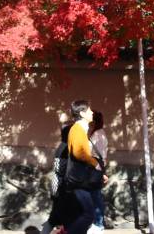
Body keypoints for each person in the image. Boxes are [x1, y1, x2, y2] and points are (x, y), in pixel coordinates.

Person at [64, 100, 104, 234]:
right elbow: (79, 153)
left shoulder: (80, 129)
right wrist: (96, 163)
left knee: (83, 214)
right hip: (78, 180)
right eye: (89, 110)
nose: (92, 112)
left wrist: (99, 173)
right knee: (88, 214)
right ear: (82, 113)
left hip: (81, 179)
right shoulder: (78, 129)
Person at [40, 123, 74, 234]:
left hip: (58, 187)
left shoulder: (62, 147)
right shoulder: (66, 149)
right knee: (58, 219)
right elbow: (62, 171)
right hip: (62, 188)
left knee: (55, 219)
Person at [88, 112, 108, 234]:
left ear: (94, 121)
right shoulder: (101, 133)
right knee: (96, 196)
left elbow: (90, 152)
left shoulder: (97, 134)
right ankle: (97, 223)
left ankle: (98, 224)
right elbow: (104, 155)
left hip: (93, 167)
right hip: (98, 167)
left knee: (95, 196)